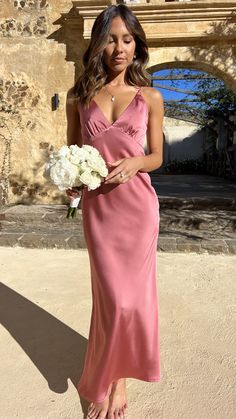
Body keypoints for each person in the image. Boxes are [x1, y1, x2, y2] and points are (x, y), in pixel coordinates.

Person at [66, 4, 164, 419]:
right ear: (98, 44)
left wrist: (136, 163)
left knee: (130, 301)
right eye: (110, 39)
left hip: (138, 209)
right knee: (110, 299)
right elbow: (72, 152)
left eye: (127, 39)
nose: (119, 48)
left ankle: (118, 379)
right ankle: (106, 376)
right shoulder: (78, 97)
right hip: (99, 210)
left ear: (136, 44)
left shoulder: (150, 97)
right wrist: (70, 181)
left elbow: (157, 156)